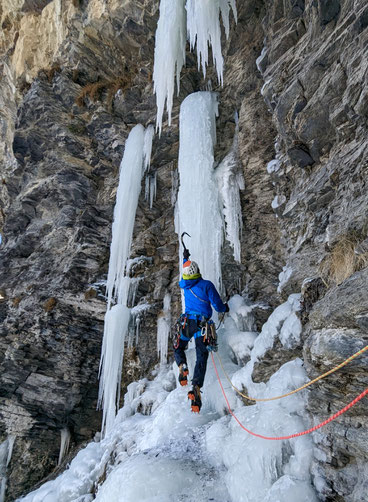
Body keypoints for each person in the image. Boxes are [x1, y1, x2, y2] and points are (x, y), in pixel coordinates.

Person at [174, 250, 229, 413]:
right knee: (201, 357)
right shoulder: (206, 285)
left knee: (178, 347)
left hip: (187, 323)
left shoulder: (184, 283)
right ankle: (196, 386)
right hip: (202, 325)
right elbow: (218, 306)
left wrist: (185, 259)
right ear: (197, 271)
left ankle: (182, 365)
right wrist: (225, 307)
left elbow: (186, 272)